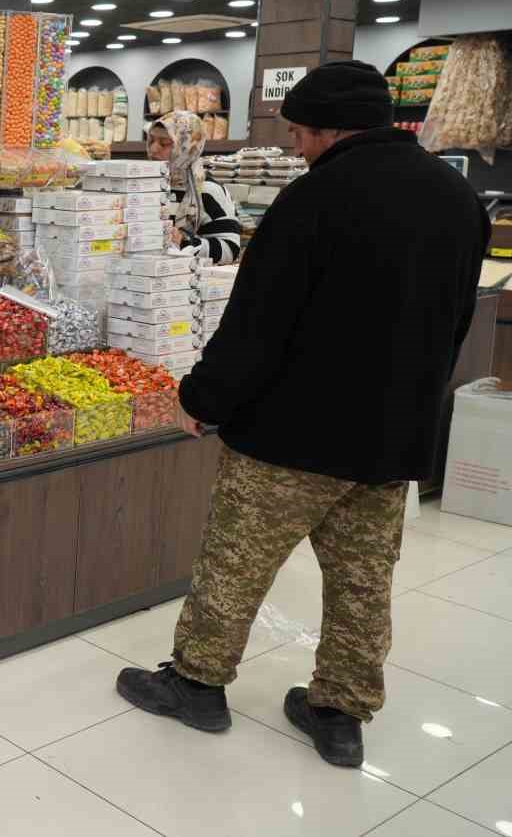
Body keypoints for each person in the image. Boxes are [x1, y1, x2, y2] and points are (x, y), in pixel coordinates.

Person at [115, 60, 489, 767]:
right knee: (363, 581)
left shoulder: (313, 200)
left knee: (236, 562)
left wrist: (201, 399)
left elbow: (258, 323)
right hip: (391, 438)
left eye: (298, 133)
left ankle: (197, 684)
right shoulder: (457, 197)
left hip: (292, 435)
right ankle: (340, 712)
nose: (295, 146)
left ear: (328, 129)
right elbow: (457, 320)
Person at [145, 110, 242, 264]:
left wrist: (184, 241)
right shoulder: (146, 185)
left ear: (187, 147)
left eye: (164, 143)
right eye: (151, 141)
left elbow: (230, 250)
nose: (153, 149)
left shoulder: (207, 190)